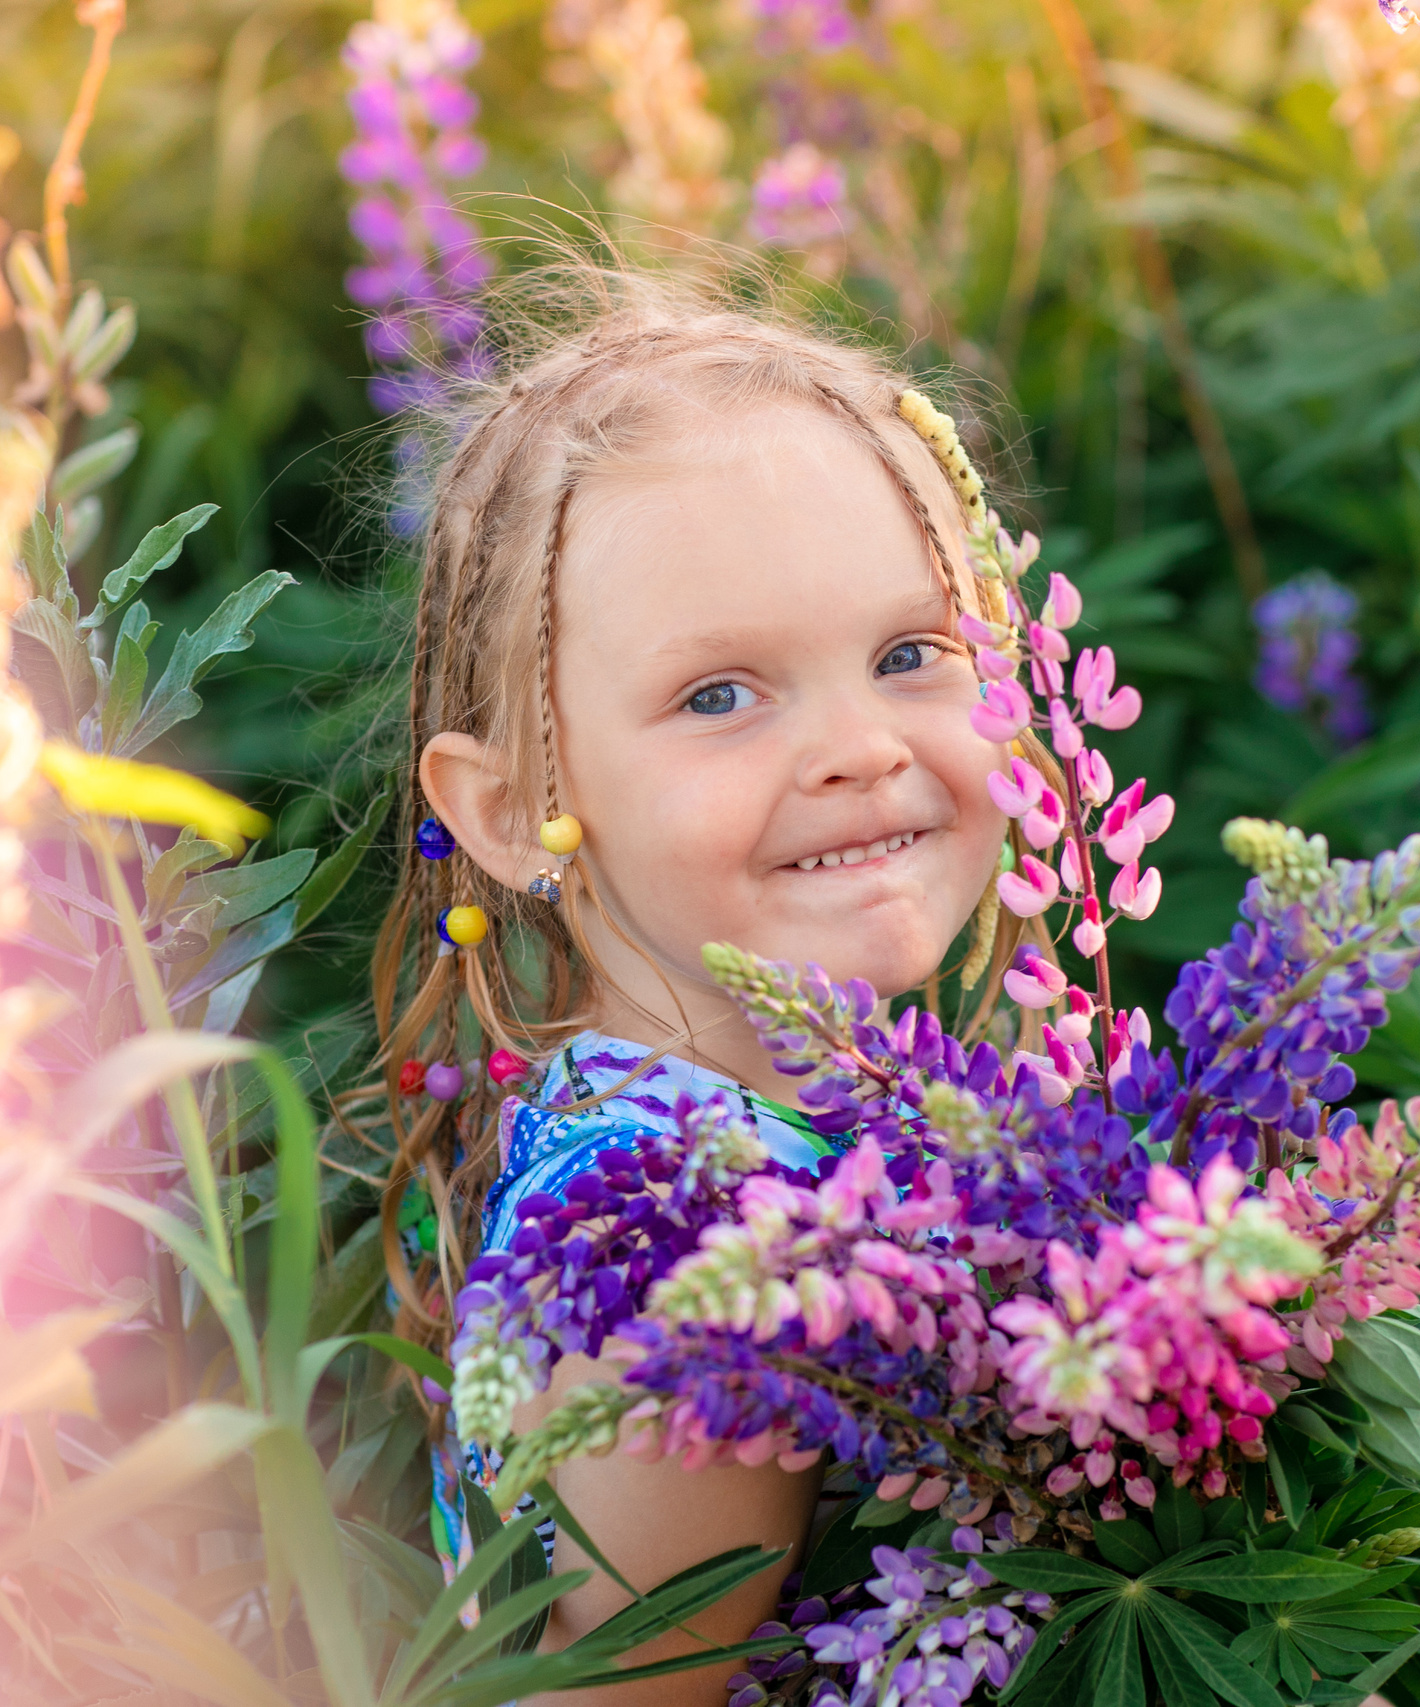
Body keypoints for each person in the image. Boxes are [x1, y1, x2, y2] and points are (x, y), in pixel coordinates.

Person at [367, 272, 1020, 1706]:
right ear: (510, 805)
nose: (859, 745)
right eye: (720, 694)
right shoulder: (696, 1280)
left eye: (912, 654)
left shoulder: (721, 1122)